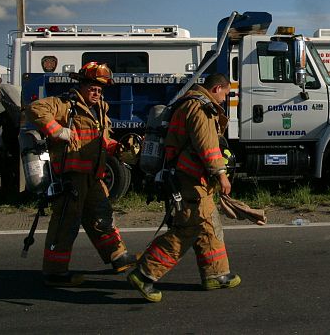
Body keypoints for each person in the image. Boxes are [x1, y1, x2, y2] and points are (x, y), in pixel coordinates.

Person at [128, 73, 240, 303]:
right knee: (187, 229)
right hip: (191, 181)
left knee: (208, 224)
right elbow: (207, 146)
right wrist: (222, 175)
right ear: (217, 88)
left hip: (190, 180)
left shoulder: (187, 102)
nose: (223, 100)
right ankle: (145, 273)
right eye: (224, 94)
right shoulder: (201, 108)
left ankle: (216, 274)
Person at [26, 61, 138, 287]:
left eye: (100, 89)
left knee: (101, 216)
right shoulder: (65, 104)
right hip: (71, 176)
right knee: (66, 223)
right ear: (81, 85)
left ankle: (118, 256)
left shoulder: (100, 109)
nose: (96, 92)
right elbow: (35, 109)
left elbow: (100, 142)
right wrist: (59, 131)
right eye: (92, 87)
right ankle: (55, 271)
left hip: (93, 176)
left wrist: (118, 148)